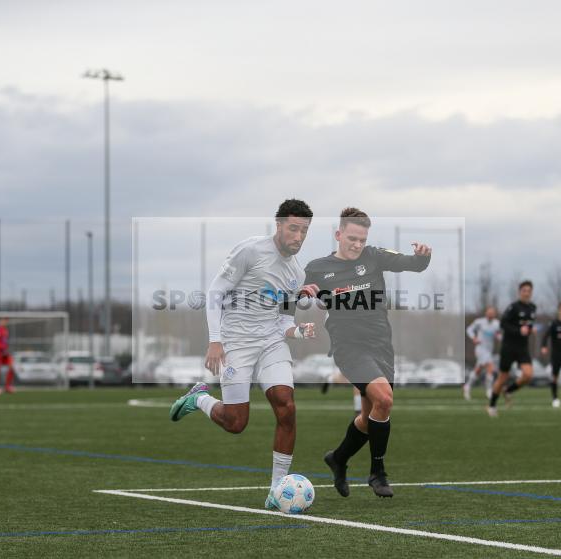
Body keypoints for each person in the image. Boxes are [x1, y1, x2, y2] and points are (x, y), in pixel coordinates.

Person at [168, 199, 317, 509]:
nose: (298, 237)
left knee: (286, 407)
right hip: (236, 342)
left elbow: (286, 320)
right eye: (293, 229)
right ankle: (199, 398)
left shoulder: (297, 274)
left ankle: (277, 491)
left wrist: (299, 331)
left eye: (304, 231)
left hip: (272, 343)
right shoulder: (250, 250)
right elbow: (215, 292)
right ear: (278, 225)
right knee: (236, 423)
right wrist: (215, 340)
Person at [304, 207, 431, 498]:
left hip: (381, 346)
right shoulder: (318, 267)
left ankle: (338, 458)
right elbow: (300, 295)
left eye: (362, 239)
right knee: (385, 398)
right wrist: (305, 296)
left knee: (372, 413)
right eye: (352, 238)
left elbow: (413, 265)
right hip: (349, 348)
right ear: (338, 235)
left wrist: (423, 256)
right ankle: (377, 471)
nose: (357, 245)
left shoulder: (373, 256)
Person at [488, 281, 537, 417]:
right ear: (520, 292)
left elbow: (528, 325)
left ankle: (508, 390)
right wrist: (518, 330)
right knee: (503, 376)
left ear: (531, 292)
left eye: (529, 291)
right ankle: (492, 405)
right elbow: (503, 324)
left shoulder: (533, 307)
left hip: (522, 348)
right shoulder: (513, 307)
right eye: (524, 290)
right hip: (509, 347)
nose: (527, 293)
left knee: (528, 375)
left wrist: (531, 330)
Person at [462, 306, 501, 400]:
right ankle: (489, 390)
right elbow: (469, 330)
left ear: (495, 314)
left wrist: (499, 337)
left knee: (478, 369)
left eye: (492, 313)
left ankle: (467, 386)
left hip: (489, 350)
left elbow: (499, 334)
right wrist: (474, 338)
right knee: (490, 367)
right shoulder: (479, 322)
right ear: (486, 313)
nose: (491, 314)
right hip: (480, 349)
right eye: (489, 312)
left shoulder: (497, 323)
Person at [0, 317, 15, 394]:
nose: (4, 322)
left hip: (5, 352)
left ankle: (7, 387)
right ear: (0, 321)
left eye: (6, 321)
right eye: (3, 320)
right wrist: (1, 348)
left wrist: (6, 349)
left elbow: (5, 342)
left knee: (11, 366)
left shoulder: (5, 330)